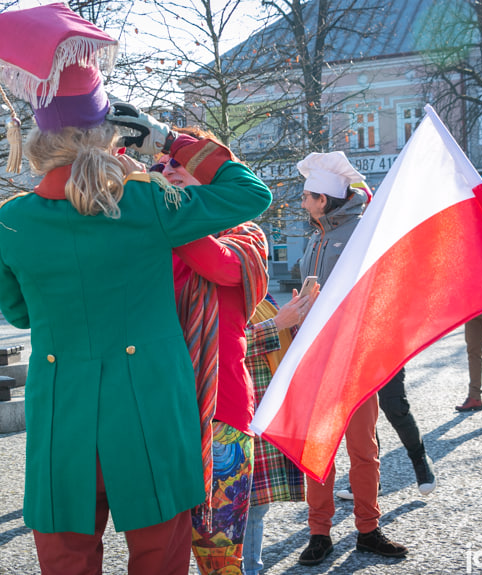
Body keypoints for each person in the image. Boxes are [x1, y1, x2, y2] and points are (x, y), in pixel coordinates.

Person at [0, 5, 272, 574]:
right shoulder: (146, 203)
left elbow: (17, 314)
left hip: (62, 414)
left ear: (36, 137)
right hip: (153, 411)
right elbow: (248, 193)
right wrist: (170, 139)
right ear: (111, 132)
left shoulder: (10, 222)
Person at [157, 126, 269, 574]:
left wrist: (161, 212)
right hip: (161, 410)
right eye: (162, 163)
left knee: (219, 560)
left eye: (179, 163)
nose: (167, 169)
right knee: (159, 554)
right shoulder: (155, 235)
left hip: (223, 413)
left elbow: (219, 267)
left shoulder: (246, 235)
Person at [296, 151, 407, 566]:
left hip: (354, 358)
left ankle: (368, 530)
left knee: (363, 449)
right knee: (318, 449)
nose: (302, 202)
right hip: (315, 358)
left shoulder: (362, 231)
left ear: (324, 199)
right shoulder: (314, 235)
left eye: (307, 196)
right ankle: (319, 533)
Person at [242, 290, 315, 575]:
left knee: (256, 505)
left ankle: (251, 568)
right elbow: (215, 346)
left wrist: (298, 318)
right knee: (240, 505)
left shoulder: (259, 292)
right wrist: (278, 324)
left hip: (260, 406)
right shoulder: (213, 289)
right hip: (238, 411)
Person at [334, 367, 437, 500]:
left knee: (395, 407)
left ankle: (420, 460)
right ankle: (370, 479)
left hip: (385, 351)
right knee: (363, 415)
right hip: (355, 356)